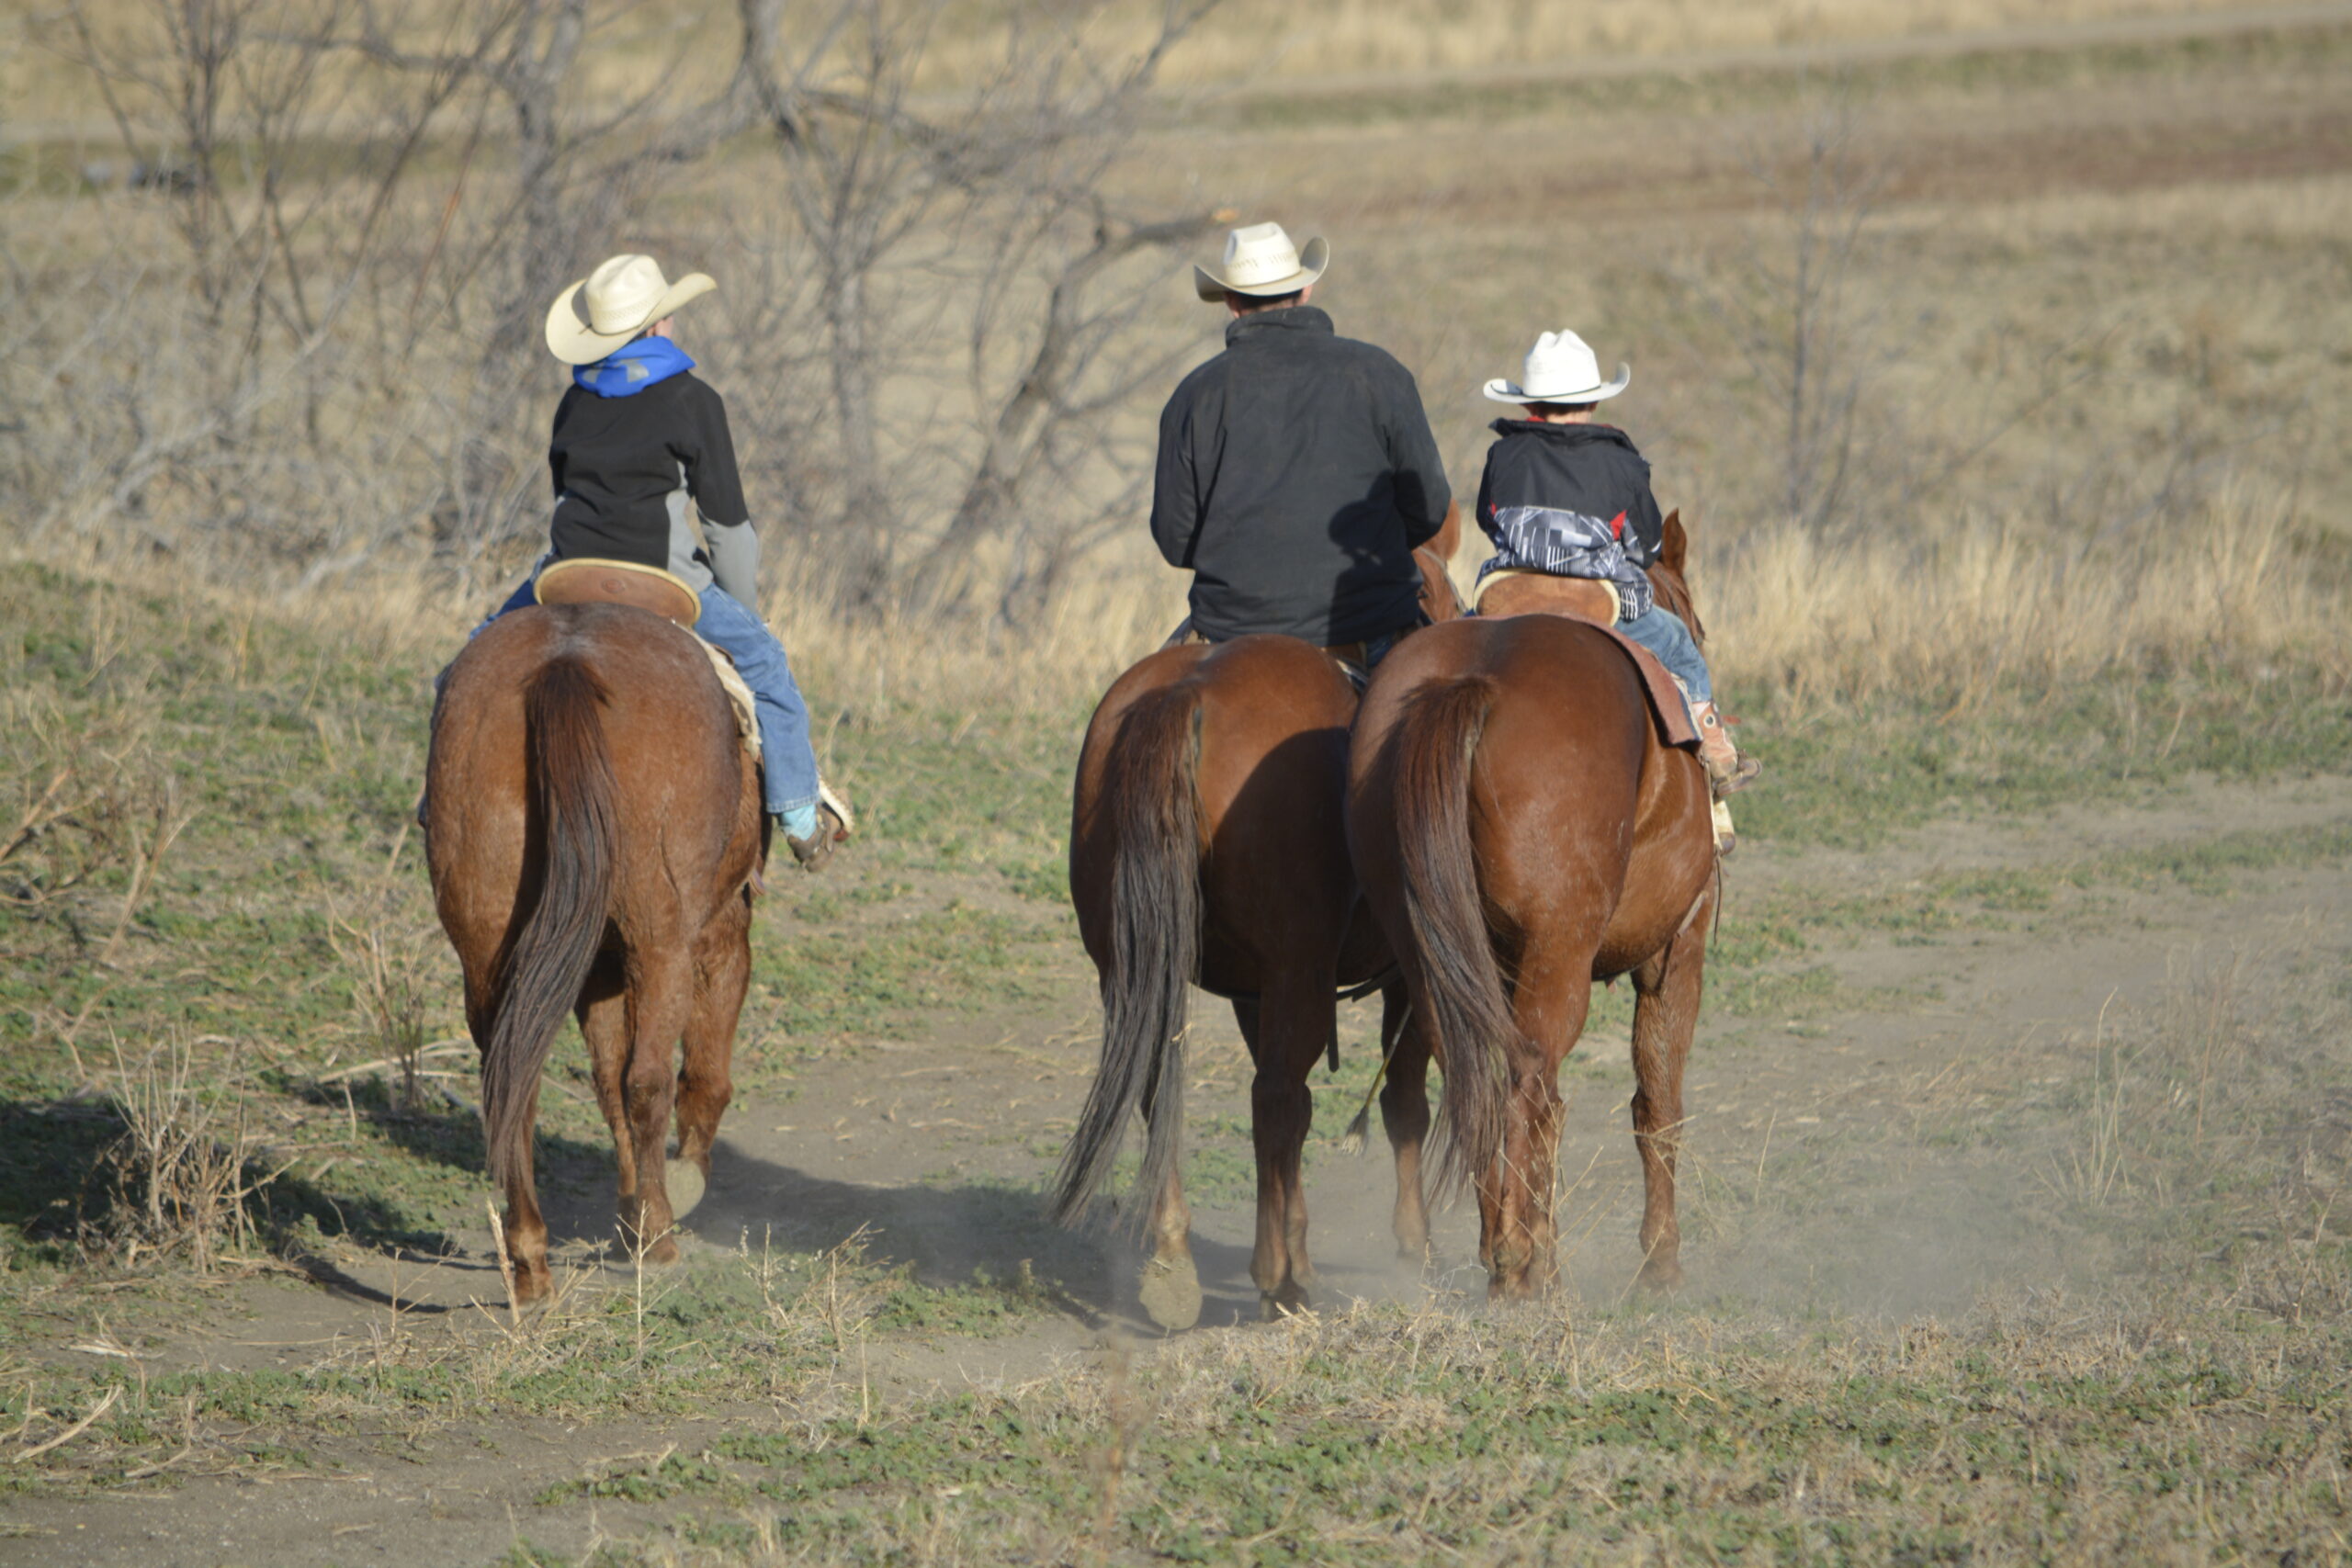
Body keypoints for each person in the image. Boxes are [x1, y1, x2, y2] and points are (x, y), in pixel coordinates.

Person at [458, 253, 847, 868]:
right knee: (767, 664)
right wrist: (742, 614)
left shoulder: (573, 401)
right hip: (661, 581)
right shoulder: (694, 399)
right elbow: (729, 532)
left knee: (470, 663)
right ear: (659, 324)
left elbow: (565, 495)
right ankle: (800, 816)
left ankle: (438, 800)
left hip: (566, 575)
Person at [1149, 221, 1452, 669]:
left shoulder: (1194, 395)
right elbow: (1429, 509)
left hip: (1231, 628)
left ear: (1231, 303)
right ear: (1306, 290)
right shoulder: (1381, 373)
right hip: (1370, 621)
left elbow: (1175, 541)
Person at [1472, 328, 1759, 796]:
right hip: (1599, 602)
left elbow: (1488, 521)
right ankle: (1717, 752)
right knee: (1678, 642)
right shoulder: (1621, 463)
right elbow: (1646, 549)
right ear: (1593, 401)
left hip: (1510, 598)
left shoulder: (1502, 454)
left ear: (1529, 405)